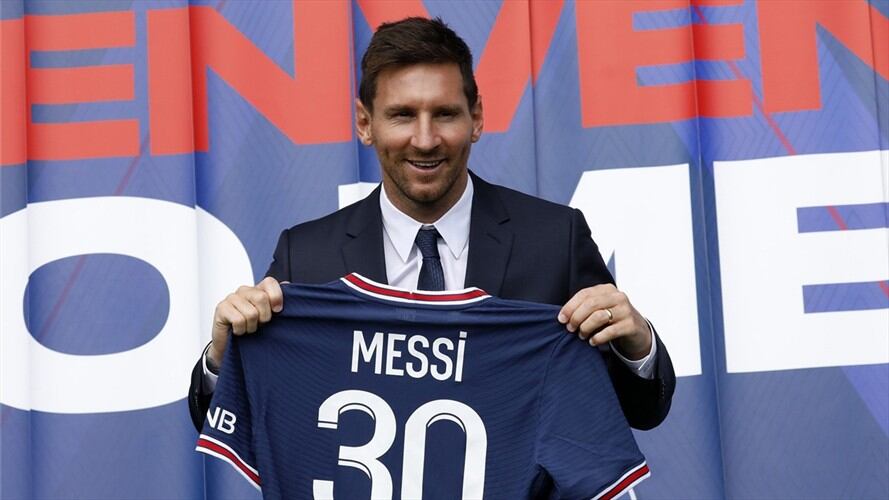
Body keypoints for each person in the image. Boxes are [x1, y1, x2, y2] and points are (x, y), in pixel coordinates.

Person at [188, 17, 675, 433]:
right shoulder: (307, 256)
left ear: (476, 118)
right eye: (402, 115)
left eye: (444, 114)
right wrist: (221, 359)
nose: (424, 140)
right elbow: (232, 423)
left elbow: (641, 411)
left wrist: (637, 344)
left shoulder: (554, 239)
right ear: (365, 123)